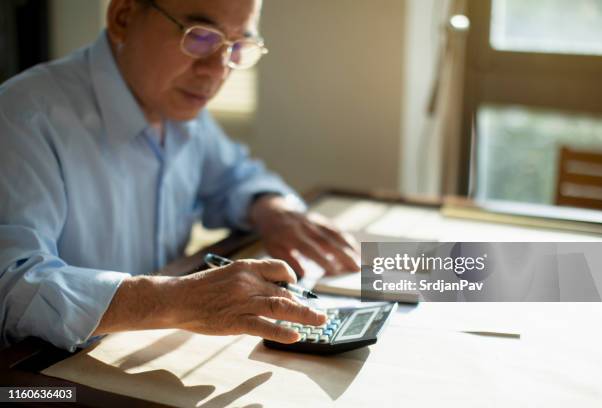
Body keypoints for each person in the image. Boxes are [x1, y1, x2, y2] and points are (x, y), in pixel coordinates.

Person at [0, 0, 359, 351]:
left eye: (238, 47)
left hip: (142, 354)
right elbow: (12, 286)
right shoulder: (22, 119)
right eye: (200, 37)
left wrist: (273, 211)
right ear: (123, 16)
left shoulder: (175, 103)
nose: (218, 71)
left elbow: (235, 176)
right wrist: (173, 299)